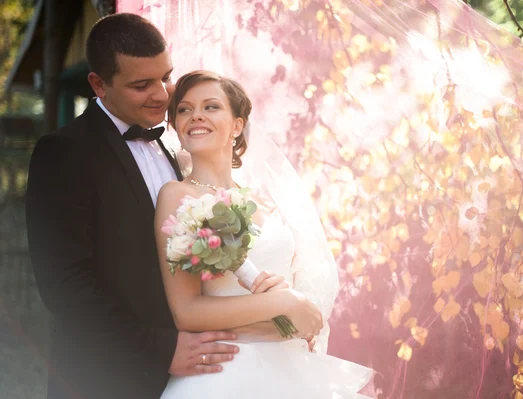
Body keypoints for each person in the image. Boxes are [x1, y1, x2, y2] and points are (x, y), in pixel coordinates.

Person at [26, 14, 239, 399]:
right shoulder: (64, 153)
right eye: (142, 85)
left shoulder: (174, 148)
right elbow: (65, 286)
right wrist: (161, 349)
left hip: (187, 377)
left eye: (165, 77)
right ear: (98, 84)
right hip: (106, 377)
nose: (162, 94)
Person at [155, 70, 373, 398]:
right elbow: (186, 311)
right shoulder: (177, 196)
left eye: (211, 106)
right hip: (226, 373)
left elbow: (300, 296)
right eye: (184, 109)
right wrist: (283, 302)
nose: (196, 114)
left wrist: (294, 312)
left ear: (238, 125)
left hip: (292, 369)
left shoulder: (267, 200)